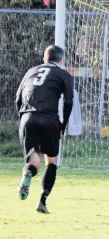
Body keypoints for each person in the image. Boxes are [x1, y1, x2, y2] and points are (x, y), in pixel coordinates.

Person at [16, 45, 74, 214]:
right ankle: (42, 201)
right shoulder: (64, 75)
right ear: (61, 60)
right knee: (51, 162)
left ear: (44, 58)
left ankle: (27, 174)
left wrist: (23, 120)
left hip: (27, 117)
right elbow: (69, 102)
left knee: (32, 160)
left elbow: (18, 99)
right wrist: (63, 124)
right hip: (49, 118)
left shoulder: (31, 71)